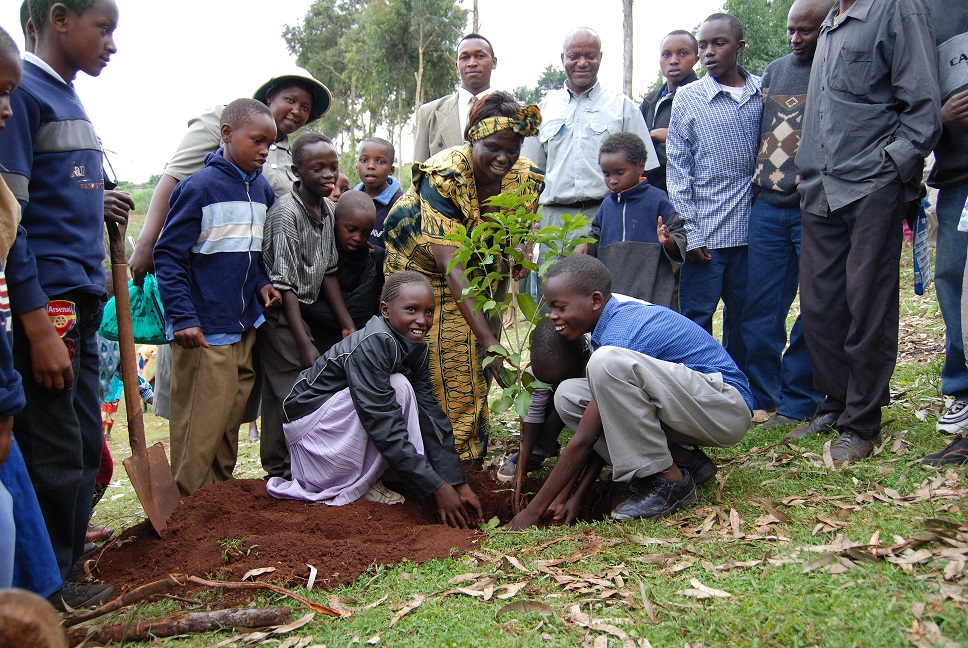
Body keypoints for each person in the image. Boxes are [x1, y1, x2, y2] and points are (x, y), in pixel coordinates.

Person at [0, 0, 130, 604]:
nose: (111, 43)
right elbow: (10, 219)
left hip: (78, 299)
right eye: (102, 28)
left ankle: (69, 563)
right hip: (46, 304)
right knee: (53, 441)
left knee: (81, 436)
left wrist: (94, 204)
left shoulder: (66, 97)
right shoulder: (22, 96)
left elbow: (53, 193)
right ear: (57, 18)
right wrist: (37, 325)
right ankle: (46, 586)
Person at [126, 68, 331, 433]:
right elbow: (174, 180)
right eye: (291, 99)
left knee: (235, 403)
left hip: (254, 298)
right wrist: (146, 245)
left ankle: (224, 485)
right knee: (201, 404)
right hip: (207, 299)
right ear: (268, 96)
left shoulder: (283, 158)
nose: (298, 111)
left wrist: (264, 281)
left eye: (306, 107)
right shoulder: (222, 124)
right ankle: (195, 487)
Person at [793, 0, 941, 462]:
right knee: (819, 307)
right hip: (821, 188)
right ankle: (838, 399)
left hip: (872, 183)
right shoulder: (833, 20)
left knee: (867, 303)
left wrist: (894, 164)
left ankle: (862, 422)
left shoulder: (896, 9)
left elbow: (923, 104)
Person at [508, 255, 753, 528]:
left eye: (560, 307)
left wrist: (533, 512)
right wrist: (568, 496)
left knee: (605, 364)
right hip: (694, 407)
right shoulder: (607, 323)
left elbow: (586, 438)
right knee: (568, 395)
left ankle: (669, 482)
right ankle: (686, 461)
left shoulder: (621, 333)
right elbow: (610, 423)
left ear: (596, 300)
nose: (553, 316)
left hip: (725, 408)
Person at [384, 92, 544, 462]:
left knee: (473, 361)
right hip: (419, 266)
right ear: (473, 137)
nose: (504, 158)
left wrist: (518, 251)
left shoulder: (525, 177)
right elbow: (450, 266)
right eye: (493, 147)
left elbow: (519, 228)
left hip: (476, 265)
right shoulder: (445, 175)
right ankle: (448, 457)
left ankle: (462, 455)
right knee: (452, 356)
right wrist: (490, 343)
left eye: (514, 147)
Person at [267, 272, 484, 529]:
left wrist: (457, 483)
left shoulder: (415, 349)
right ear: (385, 309)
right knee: (399, 387)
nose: (421, 320)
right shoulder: (374, 343)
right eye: (411, 309)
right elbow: (383, 423)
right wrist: (436, 487)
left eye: (428, 312)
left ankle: (379, 477)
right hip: (313, 439)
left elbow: (431, 416)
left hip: (335, 428)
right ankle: (354, 483)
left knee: (404, 392)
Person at [154, 98, 283, 496]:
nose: (264, 150)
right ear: (227, 135)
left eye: (270, 144)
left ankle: (219, 500)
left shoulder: (261, 189)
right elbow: (168, 255)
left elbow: (254, 250)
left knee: (231, 416)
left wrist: (261, 280)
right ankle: (187, 506)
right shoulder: (199, 187)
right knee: (201, 422)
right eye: (257, 141)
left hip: (244, 323)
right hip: (205, 329)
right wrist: (185, 318)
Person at [740, 0, 830, 429]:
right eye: (791, 30)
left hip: (813, 208)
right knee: (760, 309)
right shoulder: (775, 71)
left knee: (815, 307)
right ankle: (763, 396)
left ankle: (800, 398)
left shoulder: (832, 66)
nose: (796, 39)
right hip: (768, 209)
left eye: (805, 31)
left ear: (827, 26)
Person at [666, 13, 762, 376]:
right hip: (705, 237)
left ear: (739, 47)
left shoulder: (762, 92)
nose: (708, 52)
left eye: (718, 44)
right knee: (696, 316)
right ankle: (701, 385)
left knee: (745, 313)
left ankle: (739, 384)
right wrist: (692, 231)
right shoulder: (689, 98)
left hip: (751, 234)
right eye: (702, 45)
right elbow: (678, 168)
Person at [258, 132, 354, 480]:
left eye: (333, 167)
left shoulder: (327, 210)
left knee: (277, 392)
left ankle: (278, 468)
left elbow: (328, 271)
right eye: (318, 169)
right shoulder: (286, 213)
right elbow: (282, 286)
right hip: (282, 314)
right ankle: (298, 470)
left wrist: (346, 324)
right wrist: (303, 342)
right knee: (297, 393)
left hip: (304, 310)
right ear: (298, 171)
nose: (329, 175)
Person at [522, 27, 657, 268]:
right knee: (554, 293)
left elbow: (643, 173)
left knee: (609, 291)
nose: (582, 63)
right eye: (574, 56)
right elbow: (529, 176)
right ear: (563, 58)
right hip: (554, 220)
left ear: (600, 58)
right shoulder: (542, 109)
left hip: (609, 213)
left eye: (590, 56)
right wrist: (526, 233)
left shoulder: (623, 108)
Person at [922, 0, 968, 465]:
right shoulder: (929, 12)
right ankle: (962, 387)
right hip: (958, 177)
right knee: (953, 277)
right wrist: (942, 115)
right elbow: (909, 98)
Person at [579, 132, 685, 309]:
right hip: (616, 293)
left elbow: (678, 233)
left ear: (640, 167)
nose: (612, 180)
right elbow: (595, 235)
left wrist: (669, 240)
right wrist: (586, 245)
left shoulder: (657, 199)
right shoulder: (606, 206)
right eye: (606, 174)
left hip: (652, 291)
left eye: (619, 173)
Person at [496, 319, 589, 483]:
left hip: (601, 396)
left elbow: (592, 430)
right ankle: (536, 452)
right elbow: (534, 414)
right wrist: (522, 468)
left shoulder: (596, 357)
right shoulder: (542, 366)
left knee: (567, 397)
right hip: (573, 382)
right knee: (551, 400)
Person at [301, 190, 385, 353]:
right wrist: (344, 299)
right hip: (315, 340)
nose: (358, 238)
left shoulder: (369, 261)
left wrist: (321, 304)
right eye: (351, 229)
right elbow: (305, 303)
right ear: (335, 222)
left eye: (366, 233)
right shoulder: (316, 254)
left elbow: (359, 314)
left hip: (353, 342)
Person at [413, 33, 498, 163]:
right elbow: (418, 177)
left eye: (480, 56)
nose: (472, 63)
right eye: (464, 57)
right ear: (457, 66)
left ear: (494, 62)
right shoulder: (429, 113)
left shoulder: (515, 113)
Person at [639, 30, 699, 194]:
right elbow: (634, 146)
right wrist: (653, 136)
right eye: (666, 55)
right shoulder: (649, 101)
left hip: (687, 194)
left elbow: (697, 151)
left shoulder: (701, 98)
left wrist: (670, 138)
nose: (673, 61)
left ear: (696, 58)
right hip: (649, 195)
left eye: (683, 53)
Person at [354, 137, 403, 246]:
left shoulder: (400, 204)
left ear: (391, 170)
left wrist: (378, 253)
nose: (371, 166)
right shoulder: (350, 199)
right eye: (364, 160)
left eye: (380, 161)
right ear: (357, 166)